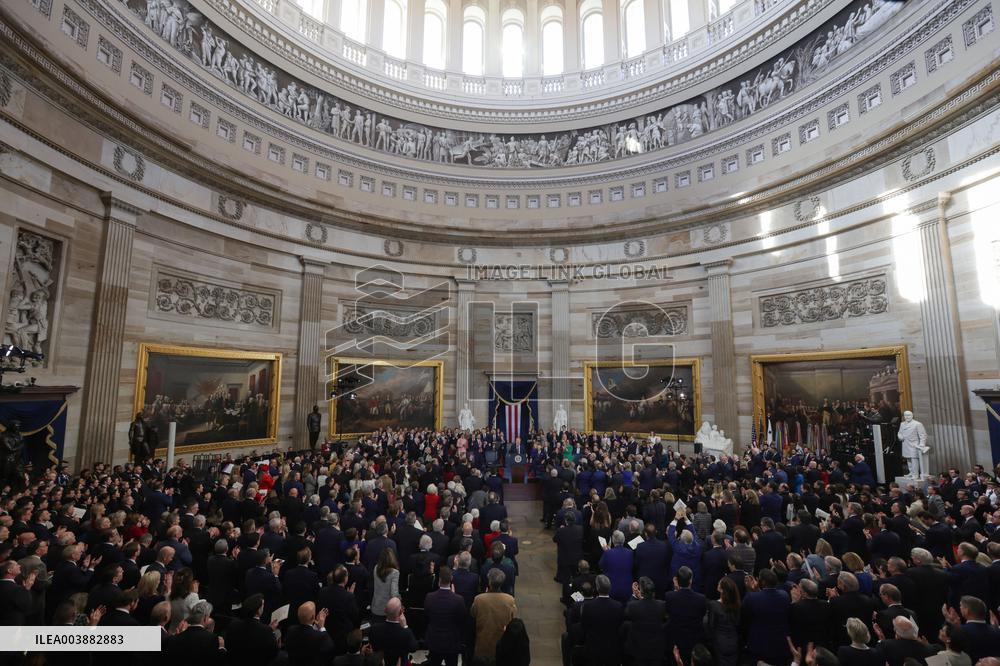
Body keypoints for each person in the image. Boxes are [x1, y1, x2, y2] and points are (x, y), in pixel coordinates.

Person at [471, 569, 517, 663]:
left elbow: (473, 614)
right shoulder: (509, 599)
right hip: (502, 643)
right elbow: (513, 617)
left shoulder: (479, 599)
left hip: (483, 642)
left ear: (489, 582)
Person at [424, 567, 468, 666]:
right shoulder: (458, 600)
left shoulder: (429, 597)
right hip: (451, 642)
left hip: (434, 640)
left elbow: (426, 616)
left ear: (439, 580)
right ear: (451, 579)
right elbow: (462, 619)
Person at [624, 576, 667, 666]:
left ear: (641, 591)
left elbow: (627, 613)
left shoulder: (633, 606)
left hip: (638, 651)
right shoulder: (662, 606)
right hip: (656, 651)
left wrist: (635, 596)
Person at [370, 597, 418, 666]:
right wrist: (405, 626)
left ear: (385, 610)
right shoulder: (406, 633)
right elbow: (414, 648)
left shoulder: (374, 629)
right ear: (401, 612)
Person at [371, 547, 400, 622]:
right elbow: (394, 594)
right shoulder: (395, 573)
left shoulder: (376, 568)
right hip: (388, 610)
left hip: (375, 607)